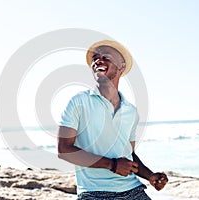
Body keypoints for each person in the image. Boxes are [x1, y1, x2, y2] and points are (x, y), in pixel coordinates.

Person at [57, 40, 168, 199]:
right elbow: (64, 150)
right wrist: (112, 164)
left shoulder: (131, 111)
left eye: (106, 57)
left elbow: (128, 155)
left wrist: (150, 176)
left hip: (133, 189)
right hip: (93, 193)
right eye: (95, 58)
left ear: (121, 66)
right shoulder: (78, 102)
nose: (98, 61)